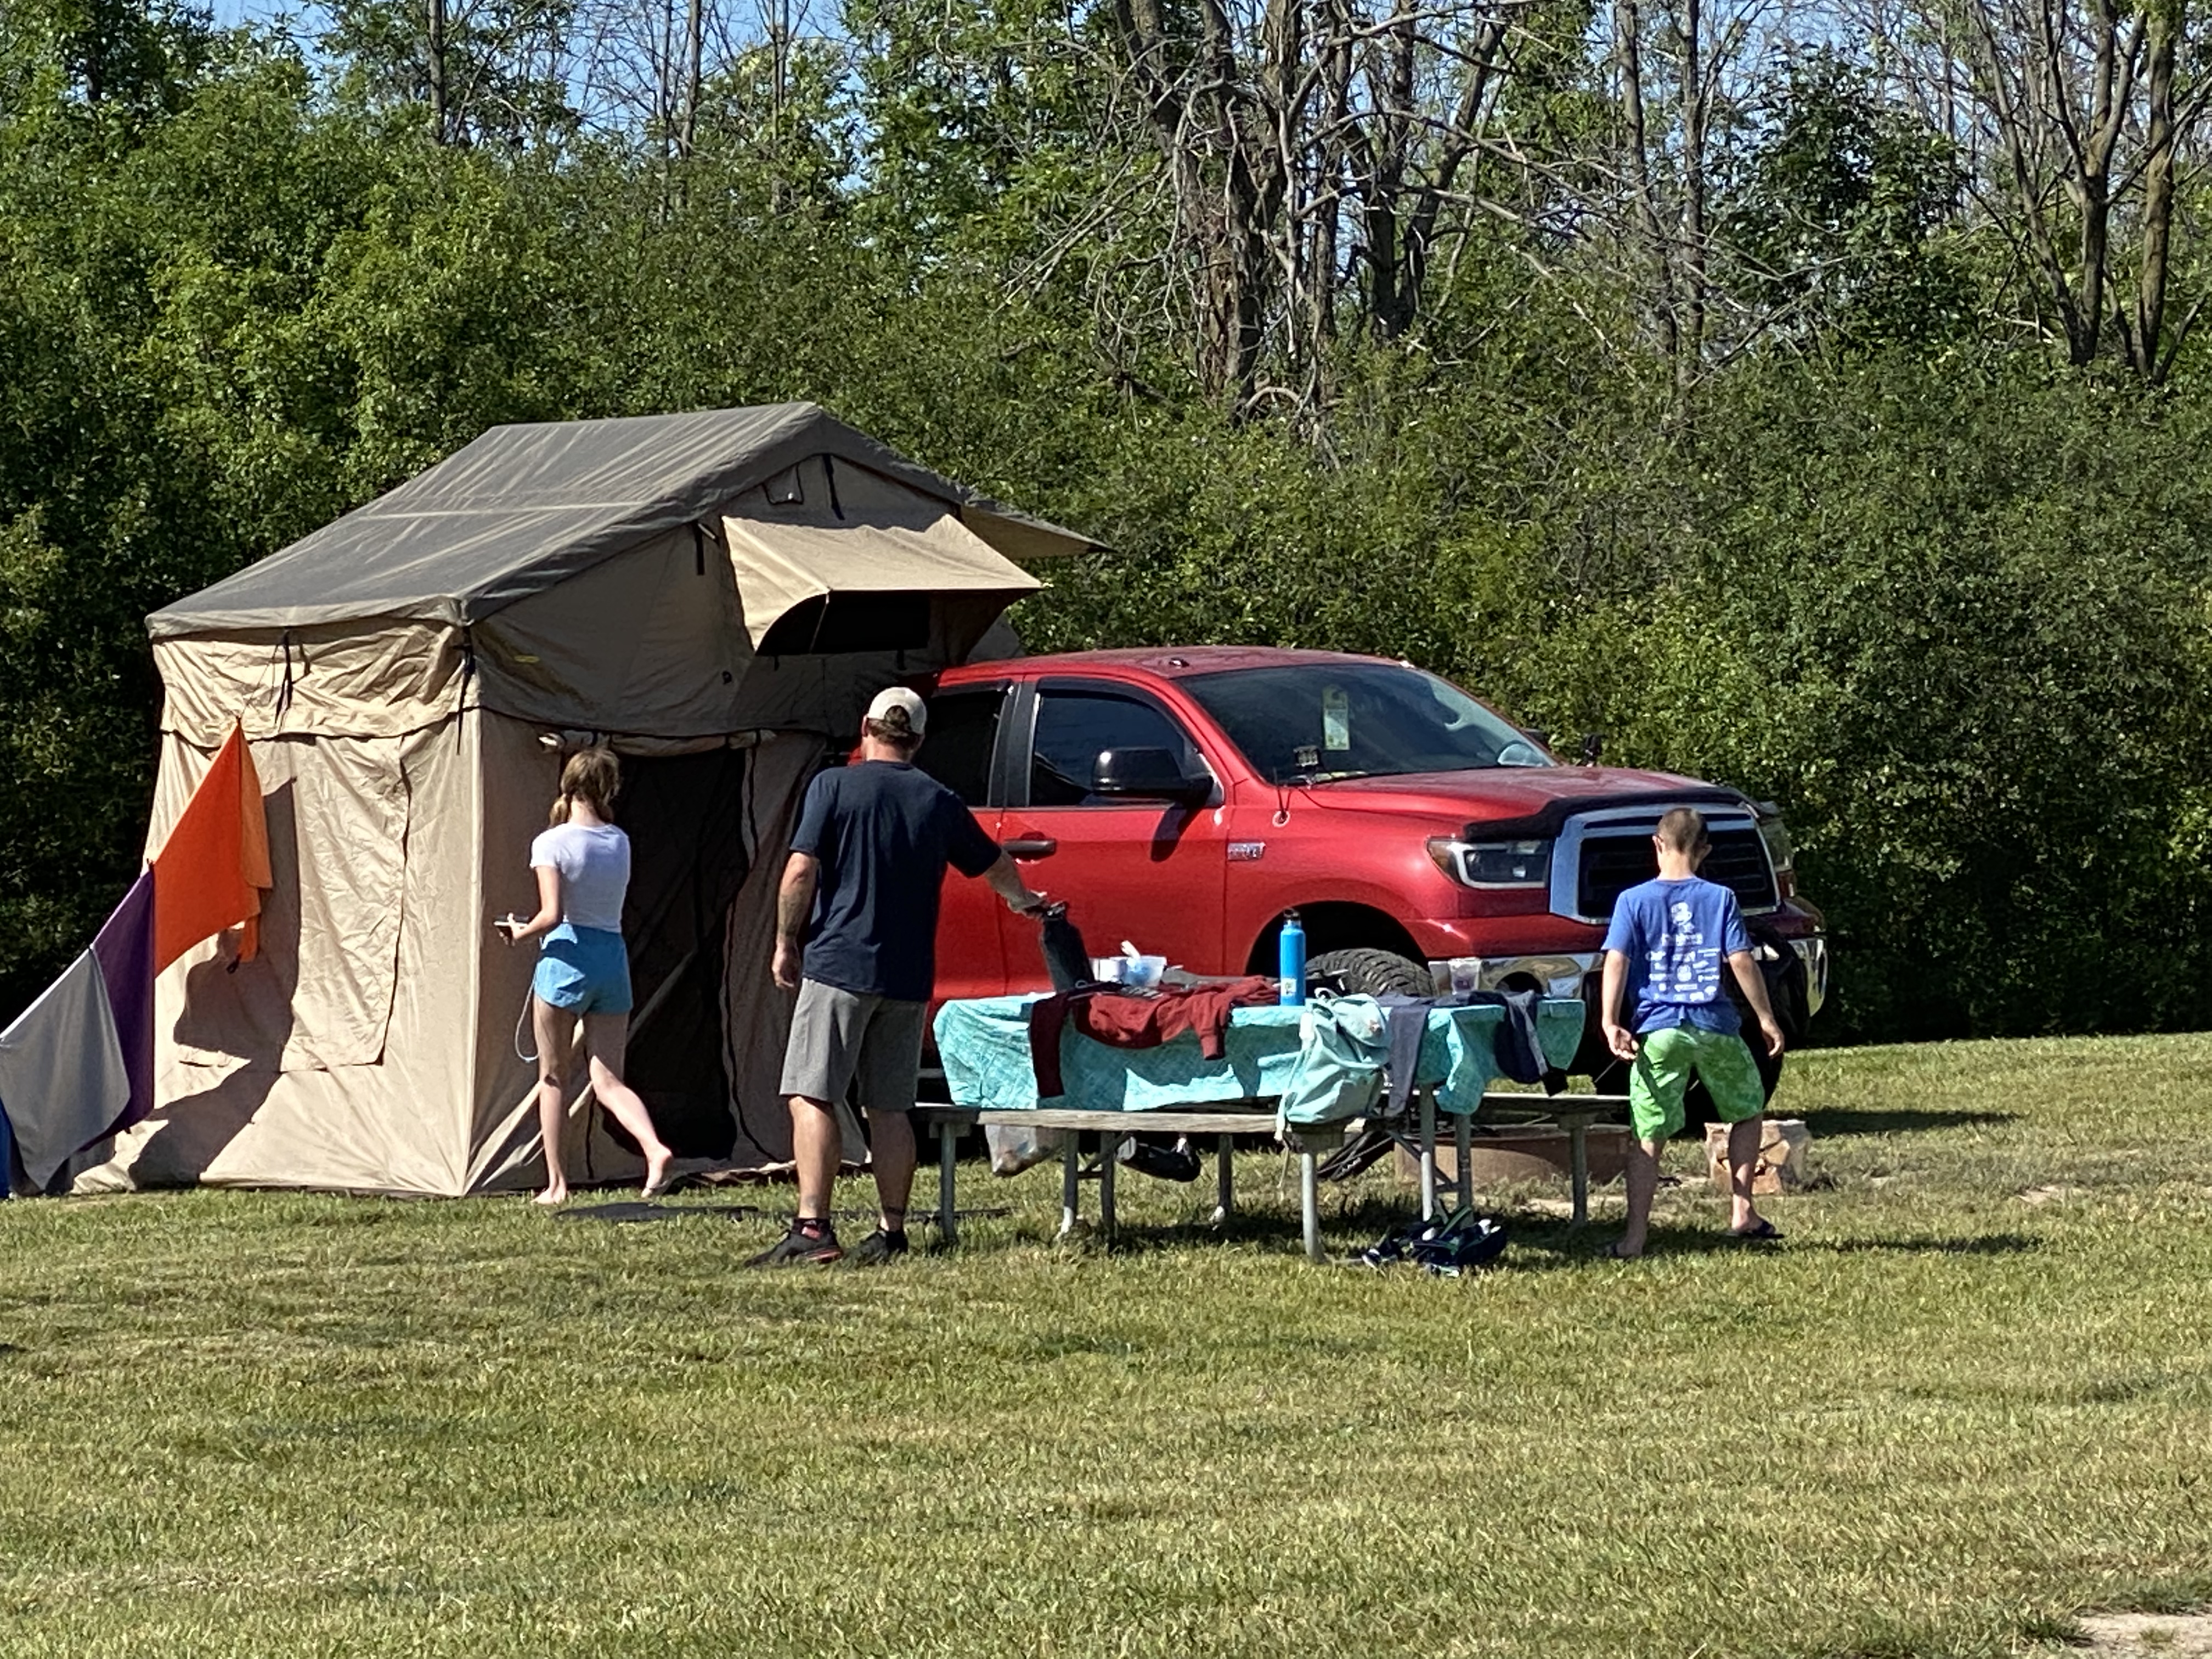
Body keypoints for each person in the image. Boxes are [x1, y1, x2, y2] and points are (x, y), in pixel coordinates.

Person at [750, 687, 1046, 1267]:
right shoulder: (937, 800)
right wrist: (1023, 901)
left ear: (866, 728)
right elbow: (995, 864)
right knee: (889, 1107)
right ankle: (891, 1230)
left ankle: (813, 1229)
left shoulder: (833, 786)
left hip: (839, 967)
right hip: (908, 977)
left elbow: (801, 870)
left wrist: (786, 942)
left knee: (811, 1095)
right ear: (919, 740)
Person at [1599, 806, 1788, 1259]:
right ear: (1705, 850)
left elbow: (1617, 960)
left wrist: (1610, 1021)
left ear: (1657, 844)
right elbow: (1740, 960)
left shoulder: (1632, 900)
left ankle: (1634, 1238)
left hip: (1659, 1030)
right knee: (1747, 1109)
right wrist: (1765, 1017)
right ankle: (1743, 1211)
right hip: (1714, 1025)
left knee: (1649, 1133)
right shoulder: (1720, 898)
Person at [495, 746, 676, 1206]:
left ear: (568, 785)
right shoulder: (619, 841)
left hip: (567, 960)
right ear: (608, 789)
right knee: (609, 1080)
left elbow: (552, 915)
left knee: (553, 1077)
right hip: (612, 959)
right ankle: (653, 1148)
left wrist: (518, 933)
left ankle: (556, 1184)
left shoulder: (551, 843)